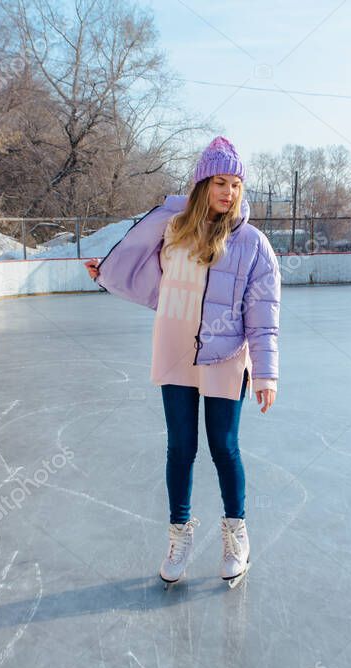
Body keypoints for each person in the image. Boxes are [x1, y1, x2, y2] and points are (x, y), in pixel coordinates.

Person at [84, 136, 281, 586]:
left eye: (235, 184)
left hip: (225, 355)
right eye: (218, 182)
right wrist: (109, 274)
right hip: (175, 351)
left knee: (223, 448)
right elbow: (155, 288)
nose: (228, 192)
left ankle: (236, 533)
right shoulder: (173, 232)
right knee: (180, 448)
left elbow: (264, 315)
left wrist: (266, 373)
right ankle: (180, 535)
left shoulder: (252, 244)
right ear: (200, 185)